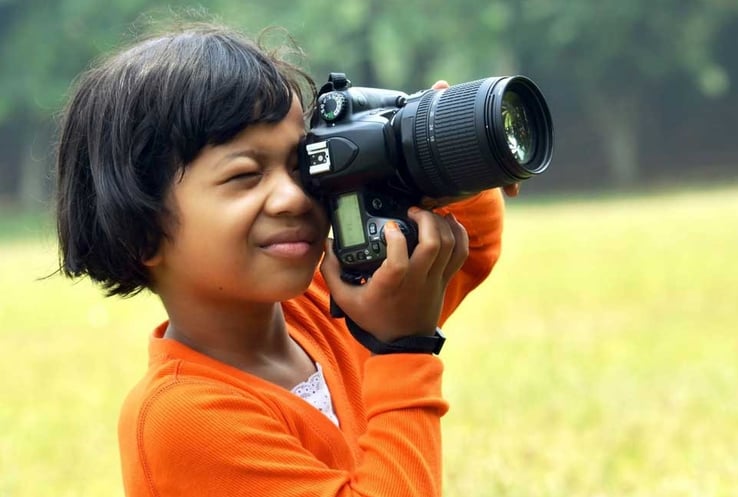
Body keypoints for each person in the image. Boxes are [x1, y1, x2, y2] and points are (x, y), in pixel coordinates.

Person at [55, 22, 518, 497]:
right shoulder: (183, 417)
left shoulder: (332, 308)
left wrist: (421, 141)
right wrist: (401, 348)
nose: (293, 197)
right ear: (141, 231)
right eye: (245, 175)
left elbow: (473, 238)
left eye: (303, 164)